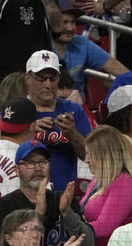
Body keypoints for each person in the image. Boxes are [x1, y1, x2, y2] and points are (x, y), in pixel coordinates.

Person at [22, 49, 94, 195]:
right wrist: (28, 130)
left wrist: (73, 134)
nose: (48, 85)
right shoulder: (17, 110)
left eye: (53, 79)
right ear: (28, 78)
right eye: (41, 79)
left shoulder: (73, 110)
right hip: (24, 196)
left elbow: (91, 156)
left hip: (63, 196)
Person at [0, 0, 62, 105]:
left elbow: (58, 27)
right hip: (1, 86)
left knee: (40, 121)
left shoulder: (44, 3)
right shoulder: (1, 2)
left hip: (38, 88)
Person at [50, 0, 127, 97]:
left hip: (78, 108)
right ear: (51, 22)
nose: (70, 28)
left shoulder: (81, 43)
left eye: (73, 22)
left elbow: (121, 70)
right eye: (64, 22)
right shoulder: (38, 46)